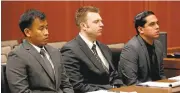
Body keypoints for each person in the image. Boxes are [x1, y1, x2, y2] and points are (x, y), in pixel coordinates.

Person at [6, 9, 74, 93]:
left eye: (46, 27)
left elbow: (66, 85)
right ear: (28, 32)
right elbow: (21, 91)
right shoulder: (17, 56)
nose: (47, 32)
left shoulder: (55, 52)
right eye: (41, 29)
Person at [60, 6, 124, 93]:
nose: (102, 24)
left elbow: (114, 76)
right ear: (84, 26)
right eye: (96, 22)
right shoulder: (70, 50)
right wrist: (109, 90)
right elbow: (76, 85)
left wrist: (118, 88)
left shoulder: (104, 47)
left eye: (101, 21)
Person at [118, 10, 166, 86]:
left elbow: (161, 74)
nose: (157, 27)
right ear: (140, 29)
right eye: (152, 24)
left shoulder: (158, 45)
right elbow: (131, 82)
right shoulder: (131, 48)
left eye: (157, 23)